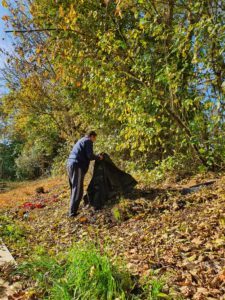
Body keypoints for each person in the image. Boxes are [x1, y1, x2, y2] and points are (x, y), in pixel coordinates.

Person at [67, 131, 103, 217]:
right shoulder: (88, 141)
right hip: (77, 165)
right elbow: (90, 156)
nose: (94, 140)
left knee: (74, 188)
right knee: (78, 190)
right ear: (91, 136)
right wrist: (98, 157)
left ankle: (72, 210)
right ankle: (72, 213)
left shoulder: (81, 140)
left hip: (70, 164)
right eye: (95, 138)